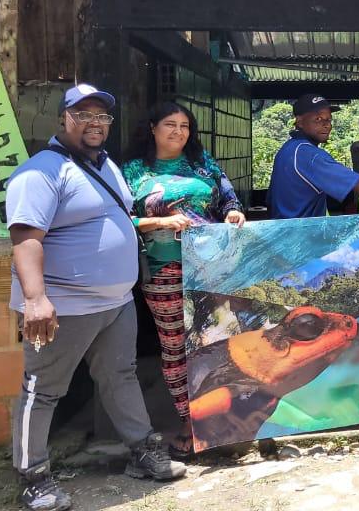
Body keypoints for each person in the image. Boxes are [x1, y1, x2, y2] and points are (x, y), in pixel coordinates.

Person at [6, 84, 185, 511]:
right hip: (64, 306)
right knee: (42, 390)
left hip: (115, 303)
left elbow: (118, 218)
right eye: (83, 114)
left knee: (120, 375)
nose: (94, 122)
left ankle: (142, 451)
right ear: (63, 119)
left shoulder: (106, 165)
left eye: (102, 116)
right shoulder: (41, 172)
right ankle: (33, 477)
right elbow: (25, 238)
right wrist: (35, 300)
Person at [122, 102, 247, 458]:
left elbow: (229, 199)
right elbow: (119, 219)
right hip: (164, 270)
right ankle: (190, 422)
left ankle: (225, 423)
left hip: (212, 267)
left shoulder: (203, 163)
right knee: (177, 346)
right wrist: (159, 222)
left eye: (184, 126)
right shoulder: (133, 170)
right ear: (152, 128)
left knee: (218, 339)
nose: (178, 131)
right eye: (170, 124)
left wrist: (233, 212)